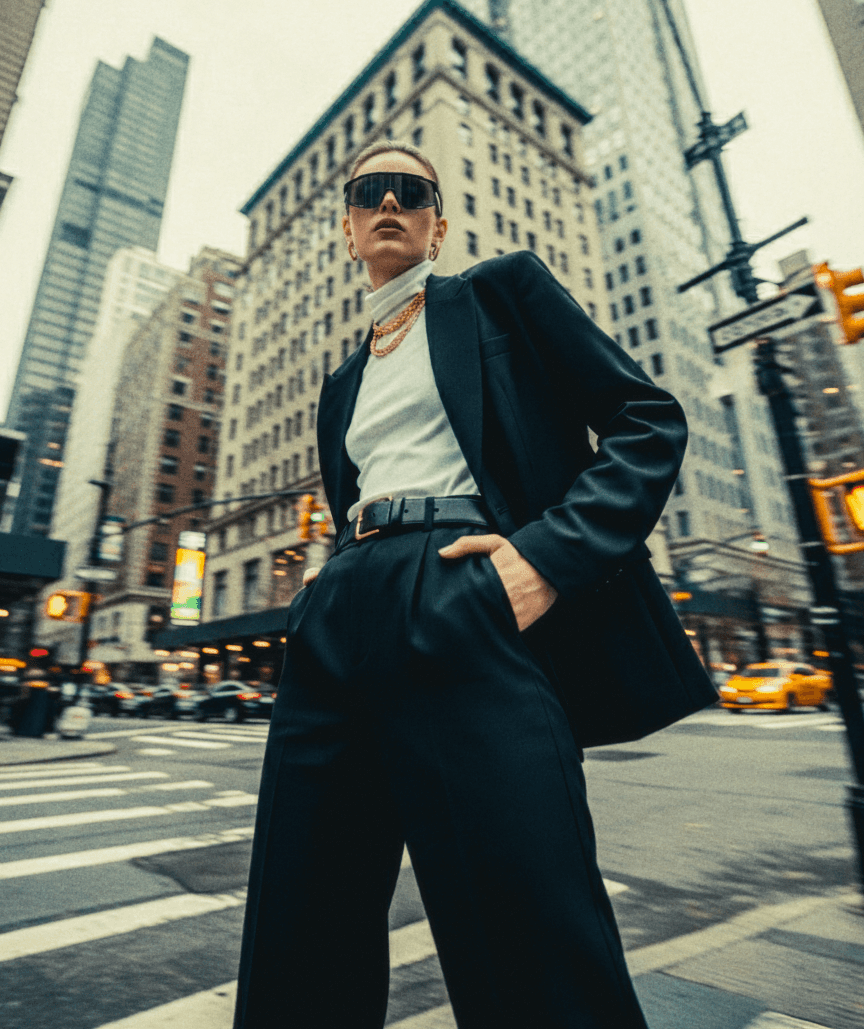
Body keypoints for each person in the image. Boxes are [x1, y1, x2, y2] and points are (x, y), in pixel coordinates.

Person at [233, 141, 717, 1029]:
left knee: (525, 918)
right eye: (369, 191)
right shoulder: (341, 384)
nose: (390, 202)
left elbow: (646, 419)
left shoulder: (500, 295)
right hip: (338, 614)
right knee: (300, 919)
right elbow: (349, 502)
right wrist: (324, 589)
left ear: (438, 227)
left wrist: (546, 560)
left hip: (464, 588)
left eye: (411, 192)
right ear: (347, 228)